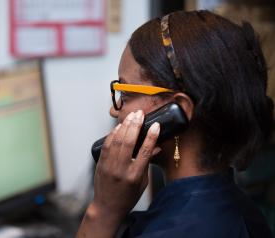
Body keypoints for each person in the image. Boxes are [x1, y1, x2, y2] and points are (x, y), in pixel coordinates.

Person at [76, 10, 274, 238]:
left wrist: (103, 211)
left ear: (178, 110)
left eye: (126, 92)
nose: (114, 109)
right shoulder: (234, 205)